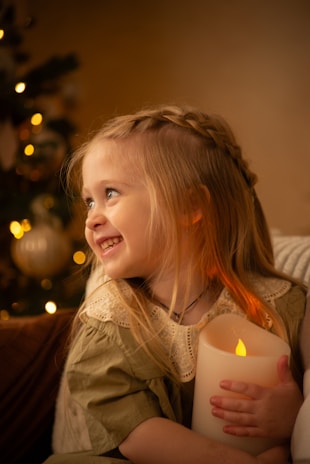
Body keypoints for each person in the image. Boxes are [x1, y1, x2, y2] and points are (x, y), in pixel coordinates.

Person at [45, 105, 307, 464]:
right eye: (90, 200)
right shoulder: (111, 324)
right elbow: (138, 435)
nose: (91, 218)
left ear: (189, 206)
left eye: (111, 194)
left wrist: (292, 416)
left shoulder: (276, 308)